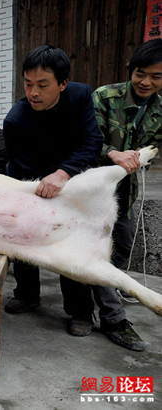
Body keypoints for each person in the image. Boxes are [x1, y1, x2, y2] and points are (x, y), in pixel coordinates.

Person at [1, 45, 142, 349]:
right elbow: (23, 171)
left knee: (71, 242)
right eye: (28, 84)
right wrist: (45, 186)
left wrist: (64, 173)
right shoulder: (15, 121)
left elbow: (91, 143)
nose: (33, 92)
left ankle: (80, 311)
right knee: (25, 233)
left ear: (63, 84)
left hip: (73, 175)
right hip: (32, 180)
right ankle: (27, 294)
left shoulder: (80, 96)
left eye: (42, 85)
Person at [87, 38, 162, 351]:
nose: (146, 82)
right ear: (131, 70)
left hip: (127, 193)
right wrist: (113, 153)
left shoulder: (160, 110)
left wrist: (142, 156)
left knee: (123, 248)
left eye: (156, 77)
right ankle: (114, 319)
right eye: (140, 74)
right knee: (100, 253)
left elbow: (153, 148)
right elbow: (89, 139)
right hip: (96, 192)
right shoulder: (105, 96)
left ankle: (108, 293)